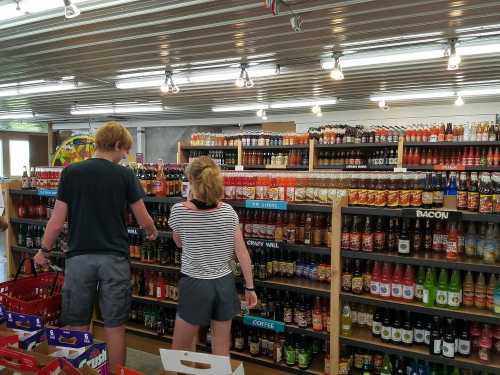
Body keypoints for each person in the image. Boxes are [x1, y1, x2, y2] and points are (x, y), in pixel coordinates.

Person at [34, 121, 158, 374]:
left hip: (79, 259)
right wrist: (151, 231)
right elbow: (143, 217)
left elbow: (56, 222)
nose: (125, 156)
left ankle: (80, 370)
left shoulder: (72, 172)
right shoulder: (124, 175)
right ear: (116, 145)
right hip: (114, 260)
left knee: (77, 323)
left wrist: (43, 251)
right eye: (124, 150)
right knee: (115, 326)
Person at [169, 156, 257, 356]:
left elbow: (179, 242)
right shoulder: (228, 212)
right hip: (223, 285)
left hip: (194, 284)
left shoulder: (179, 212)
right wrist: (250, 287)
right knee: (221, 348)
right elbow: (242, 252)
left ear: (191, 181)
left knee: (180, 350)